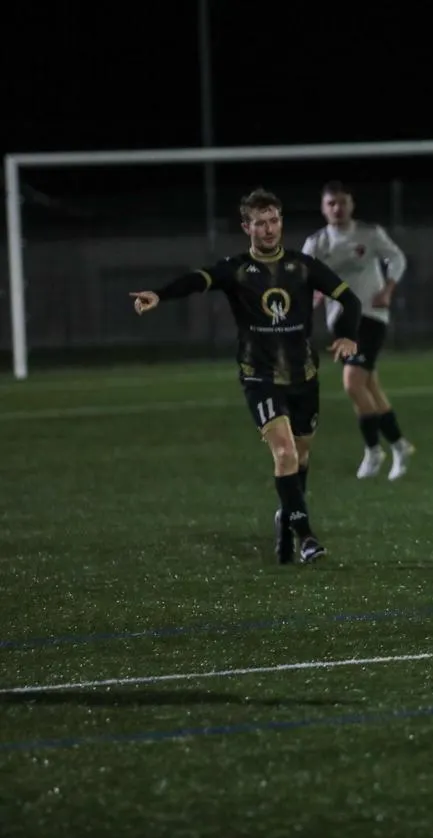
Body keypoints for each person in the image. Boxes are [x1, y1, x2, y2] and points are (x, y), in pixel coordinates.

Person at [130, 188, 363, 565]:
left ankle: (287, 515)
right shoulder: (236, 269)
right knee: (284, 452)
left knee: (300, 456)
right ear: (246, 228)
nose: (268, 229)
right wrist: (160, 295)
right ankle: (306, 536)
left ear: (281, 222)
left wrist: (348, 335)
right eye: (260, 223)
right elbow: (197, 280)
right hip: (260, 377)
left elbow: (349, 299)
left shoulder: (303, 266)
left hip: (303, 376)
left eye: (273, 221)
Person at [303, 181, 415, 481]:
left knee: (353, 382)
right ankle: (400, 446)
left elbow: (397, 258)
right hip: (341, 322)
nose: (337, 208)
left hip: (370, 315)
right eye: (331, 203)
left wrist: (388, 289)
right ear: (323, 208)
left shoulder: (369, 234)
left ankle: (373, 450)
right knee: (369, 387)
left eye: (342, 202)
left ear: (351, 205)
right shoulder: (316, 243)